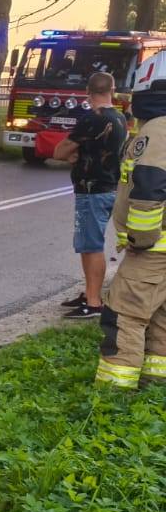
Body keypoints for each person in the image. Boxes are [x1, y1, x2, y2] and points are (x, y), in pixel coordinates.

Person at [95, 54, 166, 390]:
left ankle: (113, 395)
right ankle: (155, 384)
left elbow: (150, 186)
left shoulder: (158, 130)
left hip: (153, 251)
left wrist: (139, 237)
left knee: (123, 315)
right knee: (161, 317)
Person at [53, 72, 128, 318]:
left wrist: (73, 155)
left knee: (91, 246)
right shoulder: (120, 118)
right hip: (110, 187)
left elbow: (60, 151)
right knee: (90, 244)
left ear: (88, 91)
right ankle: (89, 293)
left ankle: (93, 303)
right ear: (112, 89)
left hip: (91, 190)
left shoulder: (91, 119)